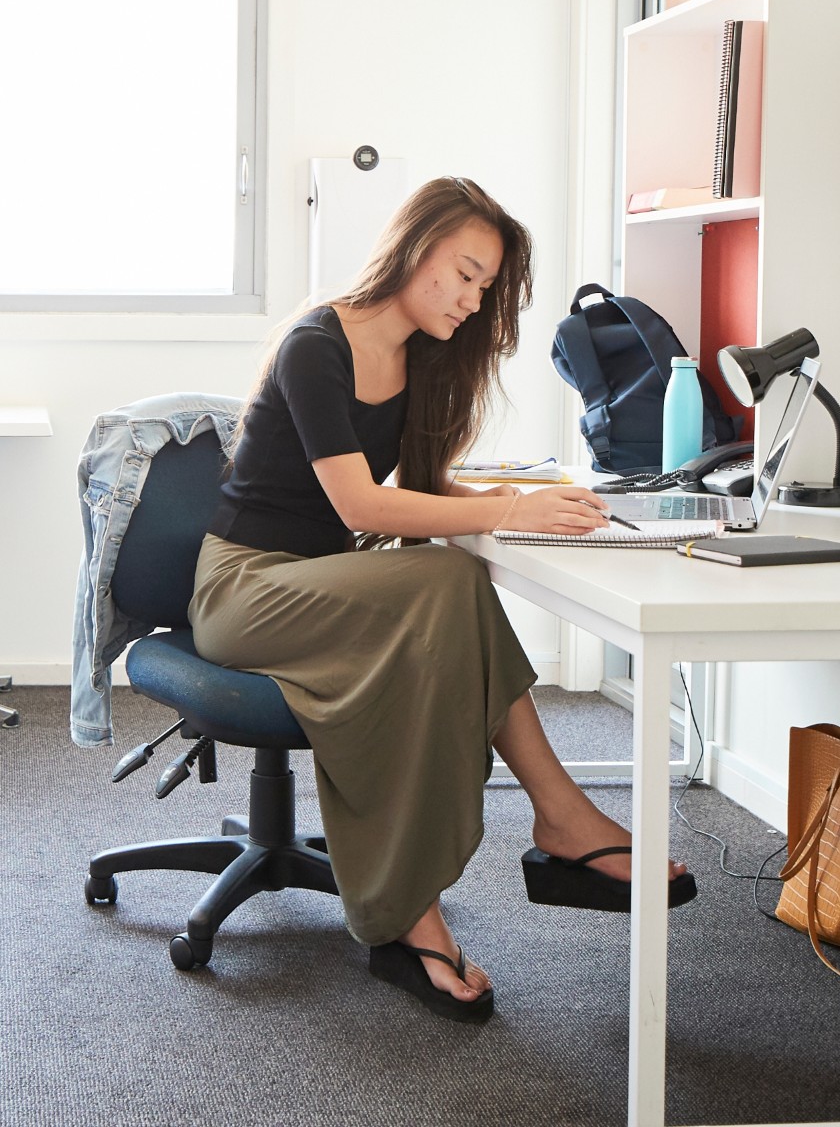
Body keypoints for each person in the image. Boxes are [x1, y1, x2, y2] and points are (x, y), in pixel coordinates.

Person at [189, 176, 694, 1024]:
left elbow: (417, 489)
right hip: (246, 587)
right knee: (451, 581)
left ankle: (501, 854)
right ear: (415, 248)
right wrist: (505, 510)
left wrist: (511, 496)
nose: (472, 299)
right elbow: (359, 506)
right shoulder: (317, 344)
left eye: (486, 287)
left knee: (451, 598)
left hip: (327, 585)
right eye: (464, 274)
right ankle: (555, 822)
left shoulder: (421, 359)